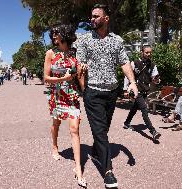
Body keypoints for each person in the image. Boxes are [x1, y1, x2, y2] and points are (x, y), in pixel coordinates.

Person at [76, 4, 138, 188]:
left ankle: (96, 151)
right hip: (93, 92)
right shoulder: (85, 40)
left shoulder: (116, 40)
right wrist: (84, 90)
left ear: (106, 19)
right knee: (100, 131)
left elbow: (124, 63)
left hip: (111, 93)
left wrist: (133, 82)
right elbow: (80, 67)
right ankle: (108, 171)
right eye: (91, 16)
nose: (92, 19)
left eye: (96, 16)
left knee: (104, 128)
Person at [44, 24, 86, 188]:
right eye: (52, 34)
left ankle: (78, 169)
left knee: (75, 129)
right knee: (56, 123)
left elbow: (78, 75)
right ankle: (54, 146)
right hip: (56, 95)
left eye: (57, 34)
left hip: (72, 95)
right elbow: (46, 78)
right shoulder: (50, 53)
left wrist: (82, 71)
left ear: (65, 35)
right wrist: (63, 79)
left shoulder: (74, 52)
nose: (54, 37)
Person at [123, 46, 162, 140]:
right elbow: (127, 76)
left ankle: (126, 123)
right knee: (144, 109)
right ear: (142, 52)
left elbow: (155, 79)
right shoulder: (134, 63)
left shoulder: (152, 65)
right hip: (136, 91)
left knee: (134, 108)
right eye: (146, 52)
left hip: (145, 90)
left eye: (150, 53)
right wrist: (125, 89)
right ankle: (153, 131)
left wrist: (157, 80)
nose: (148, 54)